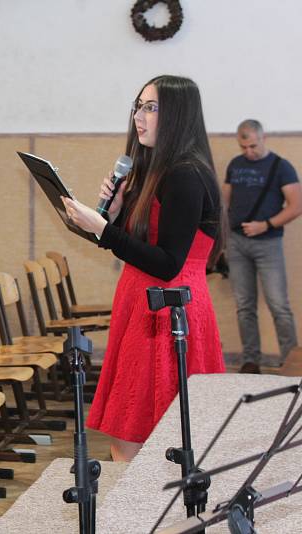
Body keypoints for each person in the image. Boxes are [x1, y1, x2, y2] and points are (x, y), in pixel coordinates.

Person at [61, 75, 225, 462]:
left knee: (142, 443)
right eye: (138, 106)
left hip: (169, 310)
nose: (139, 116)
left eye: (151, 108)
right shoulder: (156, 171)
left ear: (178, 116)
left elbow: (168, 265)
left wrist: (103, 229)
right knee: (131, 439)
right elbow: (141, 249)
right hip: (145, 307)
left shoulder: (185, 174)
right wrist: (113, 220)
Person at [223, 120, 302, 374]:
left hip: (268, 243)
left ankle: (292, 362)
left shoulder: (281, 167)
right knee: (244, 304)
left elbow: (296, 206)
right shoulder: (235, 165)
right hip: (236, 242)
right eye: (243, 146)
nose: (249, 151)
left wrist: (265, 225)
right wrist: (222, 240)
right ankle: (250, 360)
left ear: (263, 137)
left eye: (253, 146)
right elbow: (225, 203)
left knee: (279, 305)